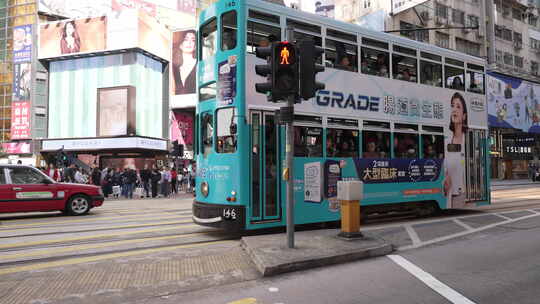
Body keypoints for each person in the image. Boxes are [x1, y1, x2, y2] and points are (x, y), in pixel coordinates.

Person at [444, 92, 468, 208]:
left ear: (464, 116)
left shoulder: (467, 140)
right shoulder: (447, 139)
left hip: (461, 193)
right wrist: (445, 175)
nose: (454, 109)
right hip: (447, 193)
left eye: (458, 107)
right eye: (452, 105)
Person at [173, 30, 197, 95]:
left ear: (195, 45)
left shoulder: (199, 64)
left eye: (193, 40)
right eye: (186, 39)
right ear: (180, 44)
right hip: (177, 103)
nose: (189, 42)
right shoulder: (174, 66)